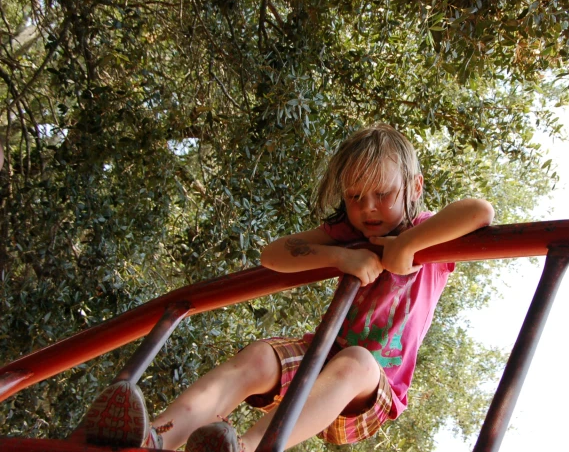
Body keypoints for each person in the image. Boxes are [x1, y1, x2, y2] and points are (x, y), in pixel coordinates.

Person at [84, 123, 494, 451]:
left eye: (383, 194)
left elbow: (479, 211)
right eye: (355, 196)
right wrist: (339, 256)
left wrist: (407, 245)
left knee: (355, 361)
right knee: (259, 357)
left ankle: (245, 448)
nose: (368, 207)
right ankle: (156, 436)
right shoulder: (345, 234)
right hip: (318, 360)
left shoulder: (428, 236)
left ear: (415, 188)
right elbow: (273, 253)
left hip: (372, 389)